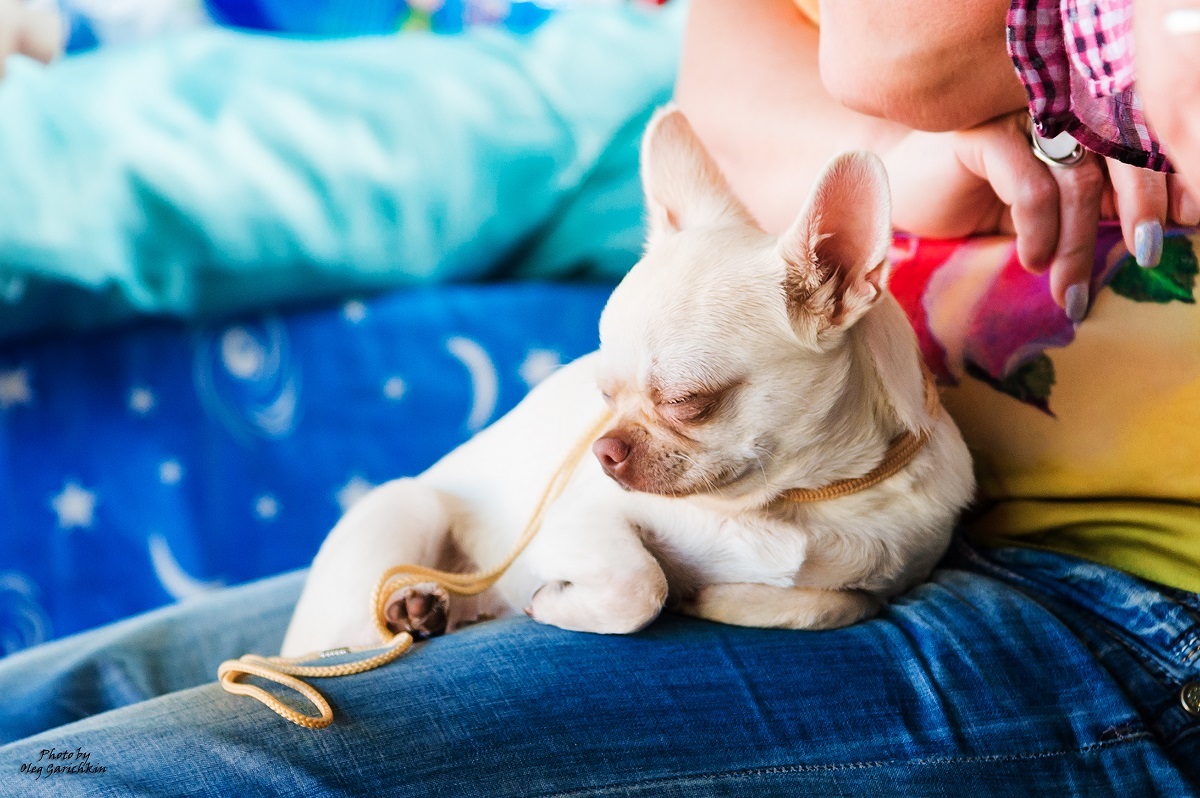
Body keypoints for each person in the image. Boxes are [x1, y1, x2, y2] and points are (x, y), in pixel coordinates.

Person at [0, 1, 1197, 796]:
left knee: (119, 777)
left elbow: (902, 52)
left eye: (682, 404)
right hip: (567, 540)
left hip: (1127, 598)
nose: (620, 444)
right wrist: (923, 168)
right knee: (42, 709)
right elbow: (736, 105)